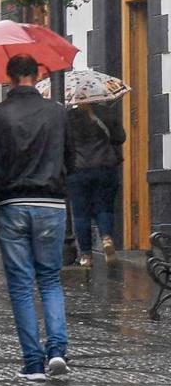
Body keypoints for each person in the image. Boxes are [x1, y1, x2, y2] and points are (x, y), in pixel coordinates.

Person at [0, 55, 74, 379]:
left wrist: (2, 186)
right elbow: (70, 158)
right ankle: (58, 352)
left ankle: (33, 363)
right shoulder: (57, 112)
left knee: (21, 285)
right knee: (50, 279)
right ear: (37, 76)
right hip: (51, 203)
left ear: (9, 78)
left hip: (12, 203)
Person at [65, 100, 125, 267]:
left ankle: (86, 256)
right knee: (104, 207)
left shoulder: (68, 117)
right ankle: (106, 237)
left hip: (78, 171)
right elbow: (120, 138)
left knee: (80, 214)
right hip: (105, 168)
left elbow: (64, 144)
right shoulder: (107, 113)